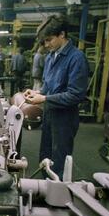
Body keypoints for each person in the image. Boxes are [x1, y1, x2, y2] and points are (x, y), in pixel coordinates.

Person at [23, 15, 89, 179]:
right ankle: (44, 189)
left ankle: (56, 198)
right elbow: (47, 86)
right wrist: (37, 93)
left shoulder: (76, 58)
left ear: (62, 34)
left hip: (65, 118)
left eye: (49, 40)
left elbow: (76, 94)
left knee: (59, 160)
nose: (46, 45)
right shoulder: (50, 57)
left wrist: (44, 99)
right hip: (50, 115)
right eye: (44, 41)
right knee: (45, 155)